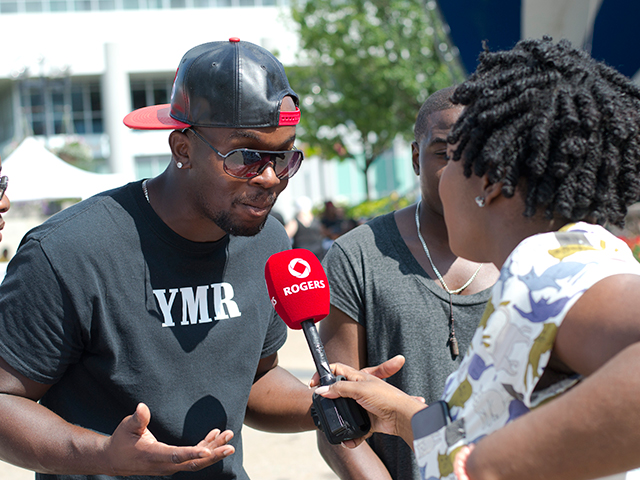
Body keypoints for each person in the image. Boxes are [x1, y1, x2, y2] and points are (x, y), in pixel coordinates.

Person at [313, 37, 640, 480]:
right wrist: (400, 414)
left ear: (487, 181)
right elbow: (479, 429)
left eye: (454, 159)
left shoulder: (548, 267)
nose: (440, 177)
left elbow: (482, 457)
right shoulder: (558, 260)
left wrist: (493, 465)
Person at [0, 39, 323, 480]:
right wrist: (103, 455)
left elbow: (255, 381)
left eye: (282, 156)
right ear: (182, 149)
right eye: (245, 157)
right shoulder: (68, 251)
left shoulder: (267, 241)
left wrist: (327, 405)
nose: (269, 177)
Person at [317, 87, 500, 480]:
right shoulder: (357, 255)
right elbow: (336, 414)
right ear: (416, 158)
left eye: (477, 151)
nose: (461, 169)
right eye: (443, 152)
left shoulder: (523, 254)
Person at [285, 195, 325, 260]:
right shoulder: (316, 221)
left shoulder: (294, 222)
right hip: (317, 254)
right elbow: (324, 233)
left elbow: (285, 236)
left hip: (301, 256)